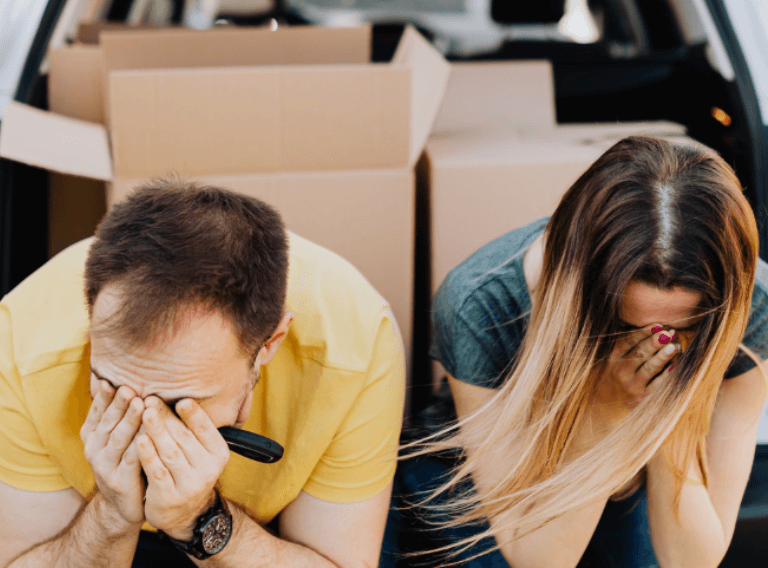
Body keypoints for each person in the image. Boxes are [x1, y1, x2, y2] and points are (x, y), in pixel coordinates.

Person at [388, 136, 768, 568]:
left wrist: (663, 410)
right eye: (624, 324)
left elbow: (694, 560)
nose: (653, 341)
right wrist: (603, 412)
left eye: (679, 329)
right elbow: (537, 558)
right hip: (492, 473)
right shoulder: (481, 301)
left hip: (637, 475)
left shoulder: (754, 306)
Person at [0, 181, 405, 568]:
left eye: (180, 404)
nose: (145, 434)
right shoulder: (21, 345)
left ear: (269, 345)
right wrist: (109, 513)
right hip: (89, 524)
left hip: (266, 533)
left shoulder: (354, 343)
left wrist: (199, 517)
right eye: (112, 390)